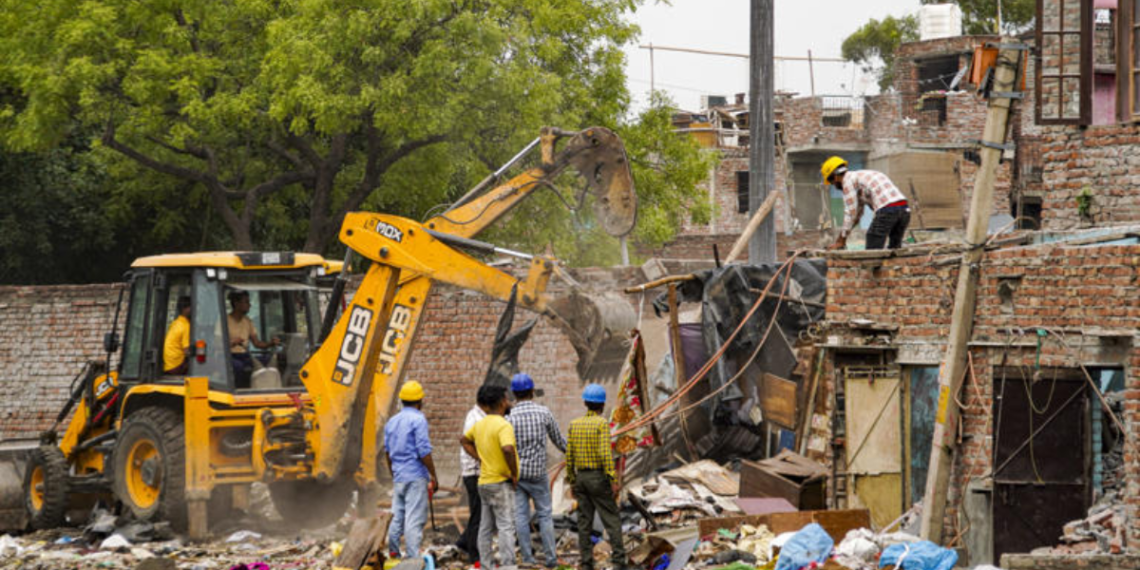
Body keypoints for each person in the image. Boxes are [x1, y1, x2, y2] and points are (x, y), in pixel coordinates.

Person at [506, 373, 566, 568]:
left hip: (517, 476)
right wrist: (575, 451)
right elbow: (559, 441)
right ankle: (551, 559)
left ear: (514, 393)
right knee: (545, 516)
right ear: (532, 391)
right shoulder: (544, 413)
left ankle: (528, 559)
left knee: (521, 517)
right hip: (539, 474)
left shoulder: (509, 418)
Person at [565, 384, 626, 570]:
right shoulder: (601, 424)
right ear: (602, 404)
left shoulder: (574, 425)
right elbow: (604, 454)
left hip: (581, 477)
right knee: (611, 519)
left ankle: (586, 563)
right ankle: (619, 562)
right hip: (598, 477)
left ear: (585, 402)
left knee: (584, 522)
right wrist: (612, 478)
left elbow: (569, 456)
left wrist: (572, 480)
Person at [460, 384, 520, 570]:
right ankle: (508, 565)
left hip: (484, 482)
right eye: (507, 399)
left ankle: (485, 565)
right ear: (502, 402)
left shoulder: (480, 424)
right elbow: (508, 448)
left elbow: (464, 440)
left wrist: (481, 458)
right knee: (505, 526)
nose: (509, 402)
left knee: (485, 527)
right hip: (500, 481)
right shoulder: (503, 425)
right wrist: (513, 472)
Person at [383, 380, 439, 558]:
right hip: (415, 476)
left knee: (397, 517)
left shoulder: (392, 422)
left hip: (399, 477)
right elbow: (424, 451)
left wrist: (394, 474)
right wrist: (433, 475)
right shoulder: (418, 419)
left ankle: (393, 553)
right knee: (414, 520)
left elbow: (387, 452)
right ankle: (413, 561)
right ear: (420, 401)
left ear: (402, 400)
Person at [821, 156, 911, 251]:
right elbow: (857, 215)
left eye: (832, 182)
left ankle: (873, 265)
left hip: (887, 210)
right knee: (895, 248)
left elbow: (850, 214)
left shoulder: (847, 181)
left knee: (873, 242)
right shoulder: (860, 178)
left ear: (835, 177)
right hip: (905, 210)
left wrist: (840, 241)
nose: (834, 186)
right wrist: (843, 239)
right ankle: (893, 264)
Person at [455, 400, 487, 564]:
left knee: (480, 513)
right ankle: (474, 555)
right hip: (474, 473)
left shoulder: (479, 416)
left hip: (476, 472)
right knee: (478, 514)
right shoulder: (475, 418)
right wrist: (484, 460)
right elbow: (466, 441)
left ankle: (463, 542)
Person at [226, 290, 279, 386]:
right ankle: (240, 390)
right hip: (229, 356)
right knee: (238, 367)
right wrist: (232, 342)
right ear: (237, 304)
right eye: (246, 302)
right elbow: (217, 345)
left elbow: (257, 343)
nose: (249, 305)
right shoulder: (224, 321)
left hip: (245, 356)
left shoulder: (247, 321)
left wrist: (270, 343)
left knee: (267, 359)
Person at [163, 296, 192, 375]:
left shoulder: (176, 322)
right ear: (186, 309)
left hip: (168, 365)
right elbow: (187, 351)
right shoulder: (185, 326)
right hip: (176, 366)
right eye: (191, 307)